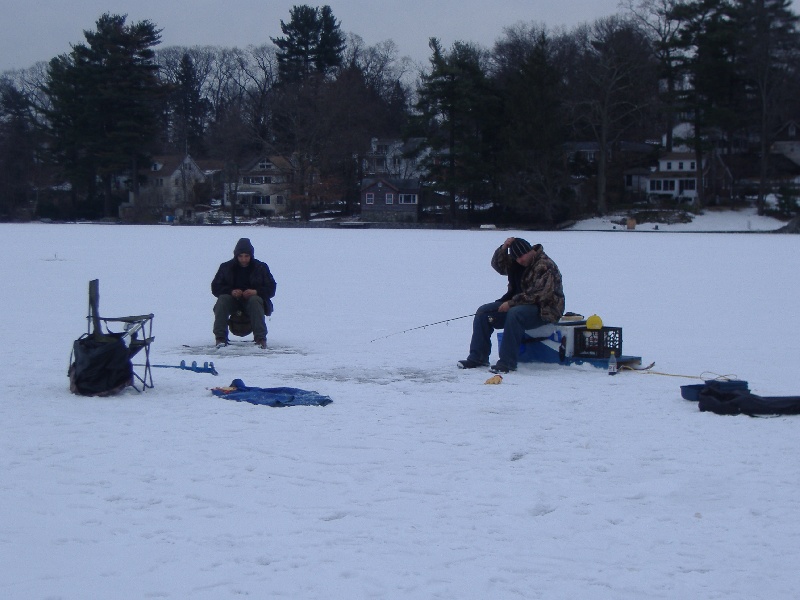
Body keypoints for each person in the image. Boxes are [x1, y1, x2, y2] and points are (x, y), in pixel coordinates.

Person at [458, 237, 565, 373]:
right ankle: (477, 358)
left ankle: (507, 363)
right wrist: (503, 248)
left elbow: (539, 294)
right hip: (519, 304)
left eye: (522, 256)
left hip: (546, 309)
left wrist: (511, 303)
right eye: (516, 258)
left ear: (530, 250)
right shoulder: (518, 263)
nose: (520, 260)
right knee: (483, 313)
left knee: (515, 314)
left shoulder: (545, 266)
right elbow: (499, 266)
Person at [211, 238, 276, 349]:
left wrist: (256, 292)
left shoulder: (261, 267)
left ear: (251, 255)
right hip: (233, 301)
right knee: (222, 300)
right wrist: (231, 291)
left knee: (255, 300)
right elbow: (215, 287)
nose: (243, 259)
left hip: (252, 302)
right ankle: (220, 338)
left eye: (246, 256)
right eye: (241, 256)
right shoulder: (225, 267)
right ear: (236, 256)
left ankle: (260, 339)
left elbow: (271, 288)